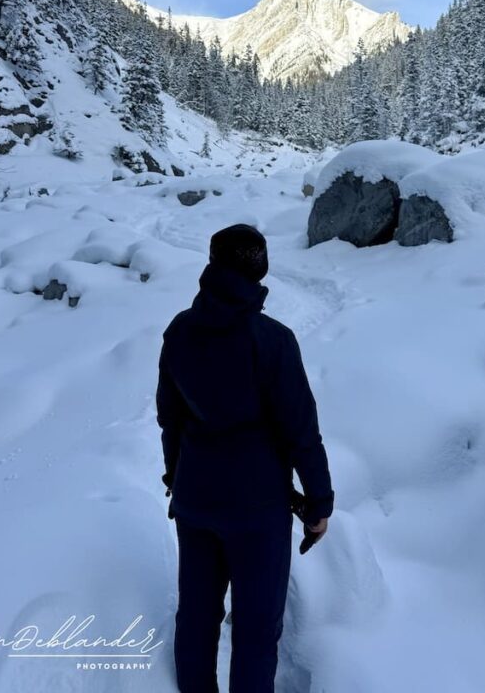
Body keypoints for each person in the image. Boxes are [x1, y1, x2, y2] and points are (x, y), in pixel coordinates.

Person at [156, 223, 334, 693]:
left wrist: (177, 478)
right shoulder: (272, 340)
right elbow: (301, 431)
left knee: (196, 616)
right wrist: (319, 504)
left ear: (212, 267)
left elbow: (169, 420)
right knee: (257, 632)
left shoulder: (178, 332)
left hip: (195, 502)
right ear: (261, 272)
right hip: (257, 512)